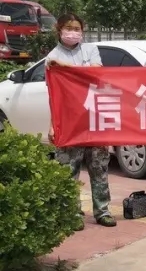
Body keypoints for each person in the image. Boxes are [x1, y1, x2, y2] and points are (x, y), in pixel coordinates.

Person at [46, 13, 116, 229]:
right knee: (69, 170)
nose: (73, 32)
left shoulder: (91, 50)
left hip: (94, 118)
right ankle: (72, 213)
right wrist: (52, 124)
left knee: (99, 167)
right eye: (68, 28)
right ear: (59, 30)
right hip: (69, 122)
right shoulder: (52, 57)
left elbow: (95, 73)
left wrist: (64, 67)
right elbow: (53, 95)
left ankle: (102, 211)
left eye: (77, 28)